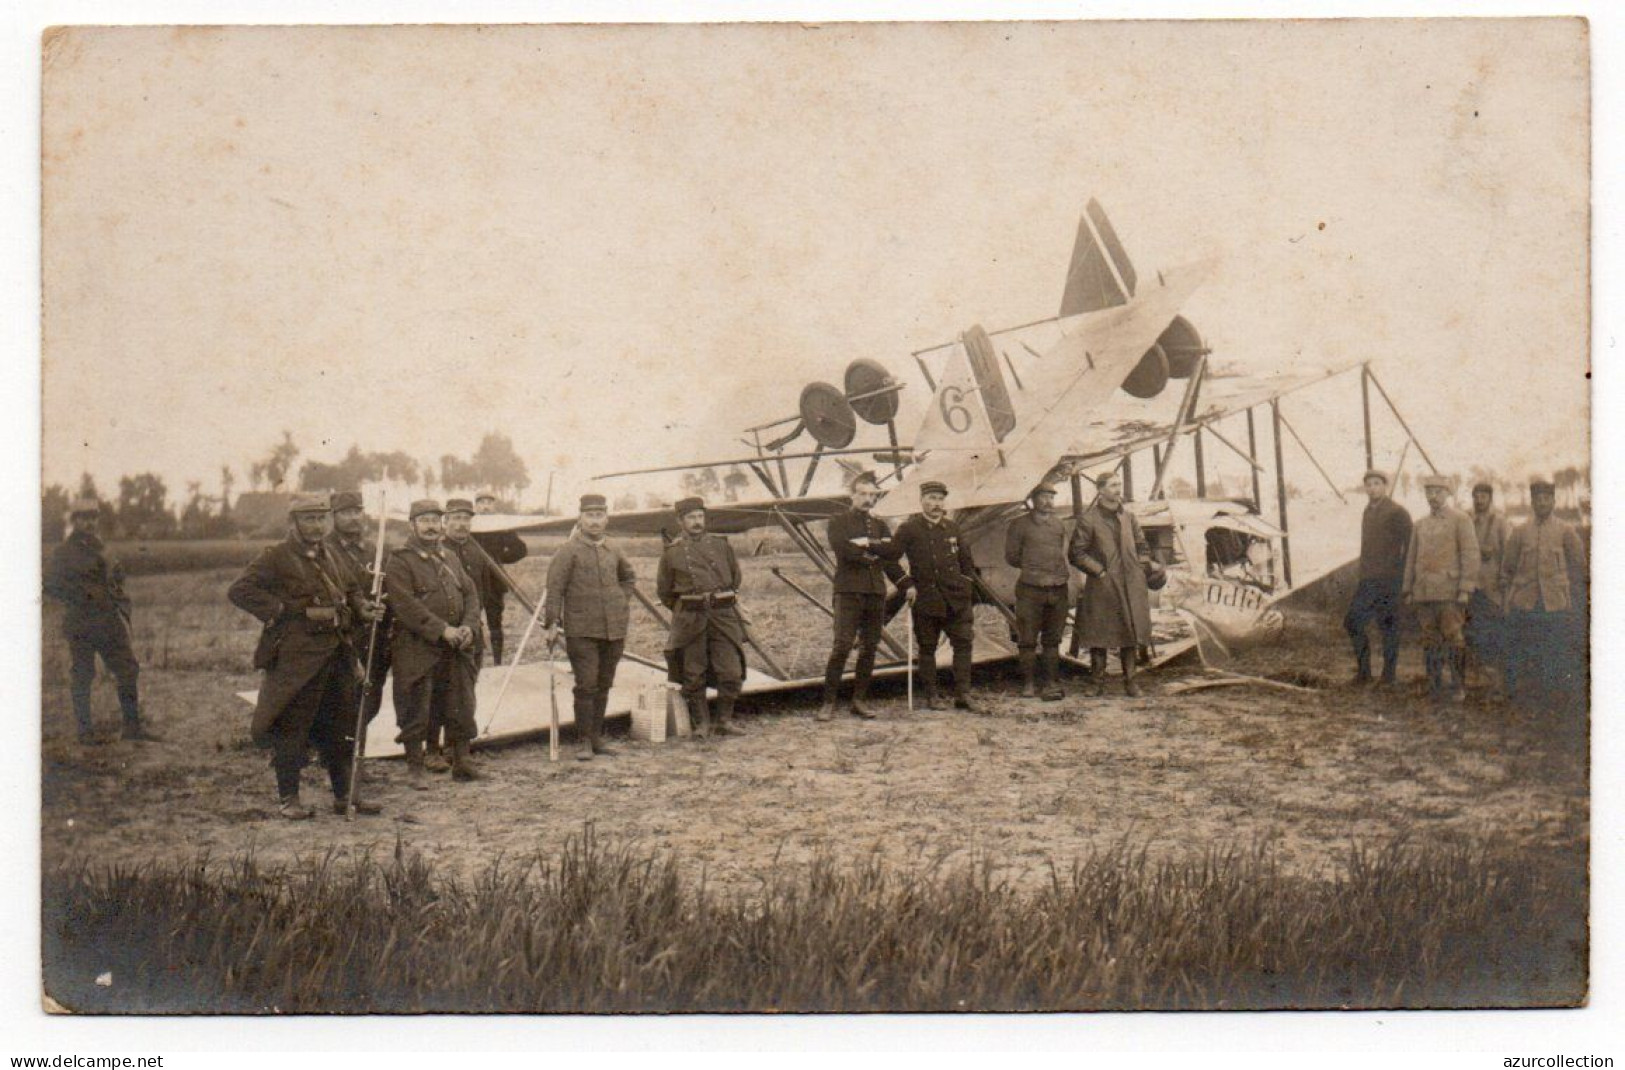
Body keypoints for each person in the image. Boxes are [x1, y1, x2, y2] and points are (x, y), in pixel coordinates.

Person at [228, 494, 381, 819]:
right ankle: (289, 800)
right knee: (293, 726)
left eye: (320, 519)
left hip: (336, 653)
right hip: (297, 659)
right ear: (293, 523)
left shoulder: (330, 555)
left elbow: (350, 588)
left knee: (342, 724)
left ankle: (344, 797)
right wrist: (280, 611)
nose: (316, 525)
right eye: (308, 519)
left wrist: (361, 607)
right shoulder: (277, 557)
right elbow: (240, 590)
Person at [385, 499, 484, 784]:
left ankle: (462, 761)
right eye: (424, 520)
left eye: (434, 520)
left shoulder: (449, 557)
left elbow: (470, 593)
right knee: (417, 704)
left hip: (456, 645)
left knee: (461, 701)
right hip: (417, 646)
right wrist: (442, 629)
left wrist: (468, 626)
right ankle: (415, 768)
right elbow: (406, 605)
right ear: (412, 525)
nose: (431, 526)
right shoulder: (400, 560)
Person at [44, 497, 158, 743]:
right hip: (81, 622)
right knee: (83, 674)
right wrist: (82, 594)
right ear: (74, 521)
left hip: (108, 620)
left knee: (128, 668)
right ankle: (85, 733)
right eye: (83, 517)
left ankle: (131, 728)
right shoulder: (63, 552)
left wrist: (116, 584)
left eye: (93, 517)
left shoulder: (102, 548)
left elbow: (115, 578)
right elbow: (50, 585)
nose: (89, 522)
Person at [543, 493, 636, 760]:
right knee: (586, 684)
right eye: (589, 516)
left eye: (599, 515)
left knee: (605, 684)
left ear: (606, 518)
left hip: (614, 629)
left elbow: (629, 577)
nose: (595, 521)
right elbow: (555, 588)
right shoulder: (568, 551)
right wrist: (552, 622)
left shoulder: (614, 549)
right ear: (580, 519)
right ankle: (583, 741)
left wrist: (619, 600)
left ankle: (596, 738)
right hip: (582, 630)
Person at [881, 480, 979, 712]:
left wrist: (966, 585)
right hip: (926, 599)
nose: (936, 504)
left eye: (940, 499)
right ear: (921, 500)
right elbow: (889, 558)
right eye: (931, 499)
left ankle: (963, 695)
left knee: (963, 644)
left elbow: (966, 561)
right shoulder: (909, 528)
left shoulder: (952, 528)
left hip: (956, 599)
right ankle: (931, 696)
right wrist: (906, 584)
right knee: (927, 647)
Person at [819, 472, 908, 721]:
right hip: (848, 591)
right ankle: (828, 703)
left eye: (873, 495)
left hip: (875, 592)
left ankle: (859, 700)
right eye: (863, 494)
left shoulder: (880, 524)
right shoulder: (838, 521)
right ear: (852, 495)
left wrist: (866, 543)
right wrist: (875, 550)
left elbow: (891, 553)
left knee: (869, 647)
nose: (868, 499)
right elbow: (845, 552)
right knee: (842, 646)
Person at [657, 497, 749, 739]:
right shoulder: (672, 553)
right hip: (691, 618)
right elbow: (665, 592)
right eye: (691, 518)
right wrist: (689, 606)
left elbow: (735, 578)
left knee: (730, 671)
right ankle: (702, 725)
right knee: (693, 674)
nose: (697, 522)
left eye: (700, 516)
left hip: (722, 616)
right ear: (680, 521)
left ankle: (724, 721)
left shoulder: (721, 546)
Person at [1500, 478, 1588, 712]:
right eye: (1537, 498)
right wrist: (1508, 598)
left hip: (1555, 603)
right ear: (1531, 502)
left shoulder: (1565, 530)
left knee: (1554, 649)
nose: (1541, 502)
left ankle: (1552, 698)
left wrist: (1573, 597)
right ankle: (1528, 698)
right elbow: (1507, 568)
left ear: (1553, 501)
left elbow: (1578, 565)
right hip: (1525, 602)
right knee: (1526, 648)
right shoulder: (1520, 532)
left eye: (1546, 498)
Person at [1070, 470, 1160, 698]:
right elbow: (1076, 552)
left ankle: (1131, 682)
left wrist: (1141, 566)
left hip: (1131, 584)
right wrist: (1099, 571)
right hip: (1104, 585)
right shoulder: (1088, 519)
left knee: (1129, 631)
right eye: (1112, 485)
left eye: (1119, 485)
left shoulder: (1129, 518)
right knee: (1100, 633)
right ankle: (1096, 683)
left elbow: (1142, 547)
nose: (1118, 490)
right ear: (1100, 490)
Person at [1402, 475, 1479, 703]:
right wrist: (1408, 589)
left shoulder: (1461, 520)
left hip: (1449, 591)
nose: (1432, 496)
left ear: (1447, 494)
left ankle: (1458, 687)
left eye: (1437, 491)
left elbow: (1470, 554)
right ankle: (1434, 686)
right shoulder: (1420, 524)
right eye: (1429, 492)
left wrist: (1465, 588)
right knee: (1429, 639)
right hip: (1424, 592)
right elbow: (1411, 558)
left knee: (1454, 637)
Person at [323, 489, 393, 737]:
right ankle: (338, 754)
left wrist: (385, 603)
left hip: (374, 633)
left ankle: (354, 747)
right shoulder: (324, 550)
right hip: (340, 635)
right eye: (345, 512)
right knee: (339, 697)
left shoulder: (374, 550)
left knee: (371, 696)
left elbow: (390, 586)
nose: (353, 517)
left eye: (357, 511)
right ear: (333, 516)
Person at [1004, 479, 1073, 700]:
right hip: (1030, 590)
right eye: (1043, 497)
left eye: (1051, 497)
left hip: (1058, 589)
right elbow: (1012, 557)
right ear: (1033, 500)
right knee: (1027, 639)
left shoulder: (1059, 525)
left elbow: (1062, 554)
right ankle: (1028, 684)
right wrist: (1034, 570)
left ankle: (1051, 682)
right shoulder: (1019, 524)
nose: (1048, 501)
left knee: (1053, 639)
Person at [1344, 469, 1412, 687]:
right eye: (1369, 484)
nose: (1372, 488)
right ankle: (1364, 673)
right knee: (1352, 622)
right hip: (1368, 579)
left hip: (1390, 581)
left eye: (1376, 484)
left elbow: (1409, 548)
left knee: (1388, 627)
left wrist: (1402, 577)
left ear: (1385, 486)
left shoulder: (1397, 512)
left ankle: (1388, 676)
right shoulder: (1368, 511)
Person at [472, 490, 529, 666]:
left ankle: (498, 662)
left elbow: (520, 549)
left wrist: (499, 559)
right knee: (472, 620)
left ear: (494, 505)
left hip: (494, 581)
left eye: (489, 502)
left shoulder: (501, 525)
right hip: (471, 580)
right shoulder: (469, 523)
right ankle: (475, 662)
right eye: (481, 502)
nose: (486, 506)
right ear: (476, 505)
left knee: (495, 622)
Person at [1465, 481, 1510, 694]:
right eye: (1476, 496)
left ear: (1490, 498)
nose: (1479, 500)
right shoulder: (1468, 521)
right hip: (1472, 586)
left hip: (1493, 588)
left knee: (1494, 631)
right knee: (1473, 631)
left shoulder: (1500, 522)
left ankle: (1497, 680)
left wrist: (1503, 579)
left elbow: (1508, 555)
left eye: (1483, 496)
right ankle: (1477, 677)